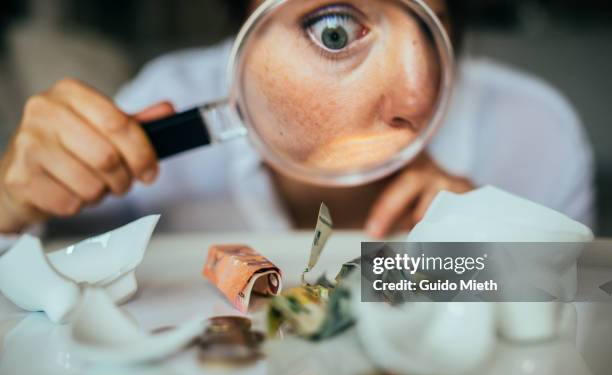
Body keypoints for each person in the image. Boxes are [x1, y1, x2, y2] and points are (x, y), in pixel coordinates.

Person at [0, 0, 594, 249]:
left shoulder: (533, 137)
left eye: (431, 24)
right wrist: (12, 203)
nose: (415, 98)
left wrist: (481, 272)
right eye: (333, 31)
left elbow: (575, 345)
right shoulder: (167, 97)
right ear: (242, 32)